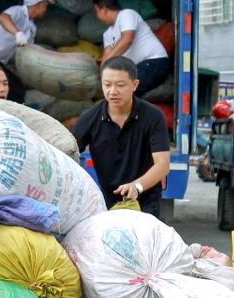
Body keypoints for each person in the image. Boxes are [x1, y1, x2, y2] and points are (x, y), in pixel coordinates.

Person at [73, 56, 171, 218]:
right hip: (106, 201)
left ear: (135, 85)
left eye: (120, 85)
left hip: (145, 200)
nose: (113, 91)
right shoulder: (90, 118)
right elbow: (69, 155)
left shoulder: (153, 116)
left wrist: (137, 186)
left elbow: (162, 165)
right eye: (107, 85)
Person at [93, 0, 170, 97]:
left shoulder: (126, 15)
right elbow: (107, 54)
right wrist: (102, 74)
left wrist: (108, 64)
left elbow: (127, 40)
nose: (97, 16)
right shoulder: (107, 33)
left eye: (97, 12)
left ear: (104, 10)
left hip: (154, 62)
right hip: (137, 68)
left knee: (124, 90)